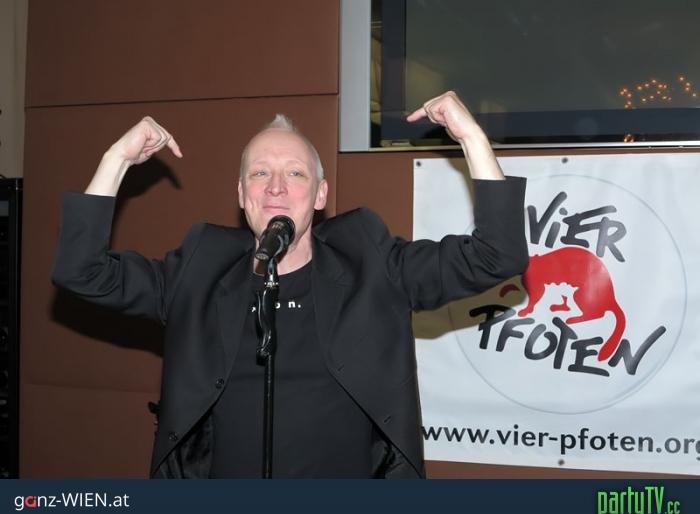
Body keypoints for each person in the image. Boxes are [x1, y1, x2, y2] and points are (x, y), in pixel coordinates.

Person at [52, 91, 528, 478]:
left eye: (295, 173)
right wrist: (116, 159)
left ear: (320, 195)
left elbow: (496, 256)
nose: (276, 187)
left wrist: (471, 137)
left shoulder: (372, 264)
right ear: (242, 195)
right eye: (260, 173)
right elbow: (82, 271)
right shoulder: (198, 270)